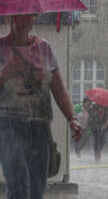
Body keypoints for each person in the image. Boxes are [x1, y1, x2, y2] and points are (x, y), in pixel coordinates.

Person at [0, 14, 81, 199]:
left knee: (37, 189)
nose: (23, 20)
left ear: (34, 17)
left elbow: (59, 89)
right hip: (8, 125)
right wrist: (6, 72)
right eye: (16, 16)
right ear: (6, 19)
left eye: (27, 15)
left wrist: (72, 118)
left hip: (39, 126)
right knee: (19, 186)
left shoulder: (44, 48)